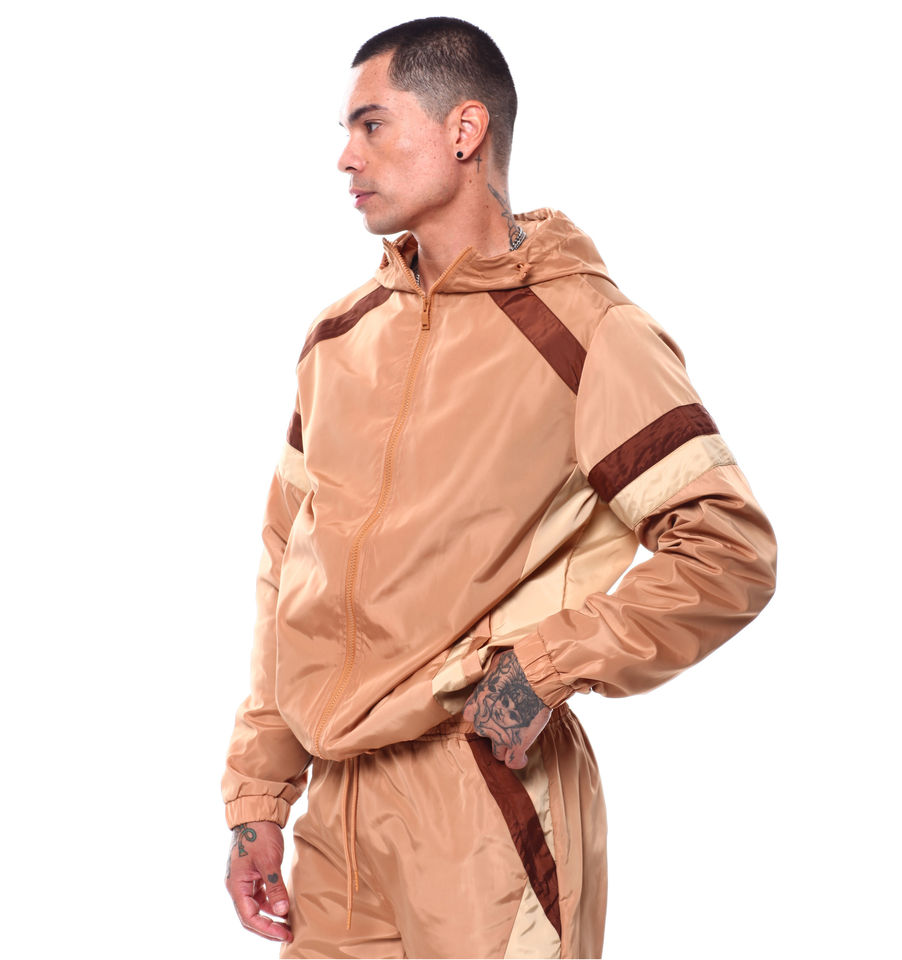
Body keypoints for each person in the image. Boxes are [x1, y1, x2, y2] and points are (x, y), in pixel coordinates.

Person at [221, 16, 777, 960]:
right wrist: (259, 796)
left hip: (483, 794)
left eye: (371, 125)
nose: (346, 157)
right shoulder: (338, 340)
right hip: (337, 819)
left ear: (465, 129)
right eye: (346, 132)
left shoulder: (586, 332)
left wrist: (546, 668)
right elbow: (288, 571)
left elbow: (728, 550)